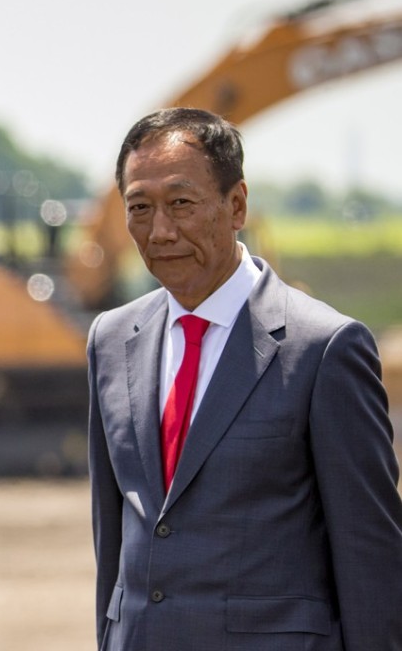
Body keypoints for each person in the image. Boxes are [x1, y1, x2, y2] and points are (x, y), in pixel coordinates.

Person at [87, 107, 402, 650]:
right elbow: (113, 540)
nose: (160, 231)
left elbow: (370, 556)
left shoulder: (323, 349)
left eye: (181, 204)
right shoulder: (111, 339)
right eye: (140, 207)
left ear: (236, 206)